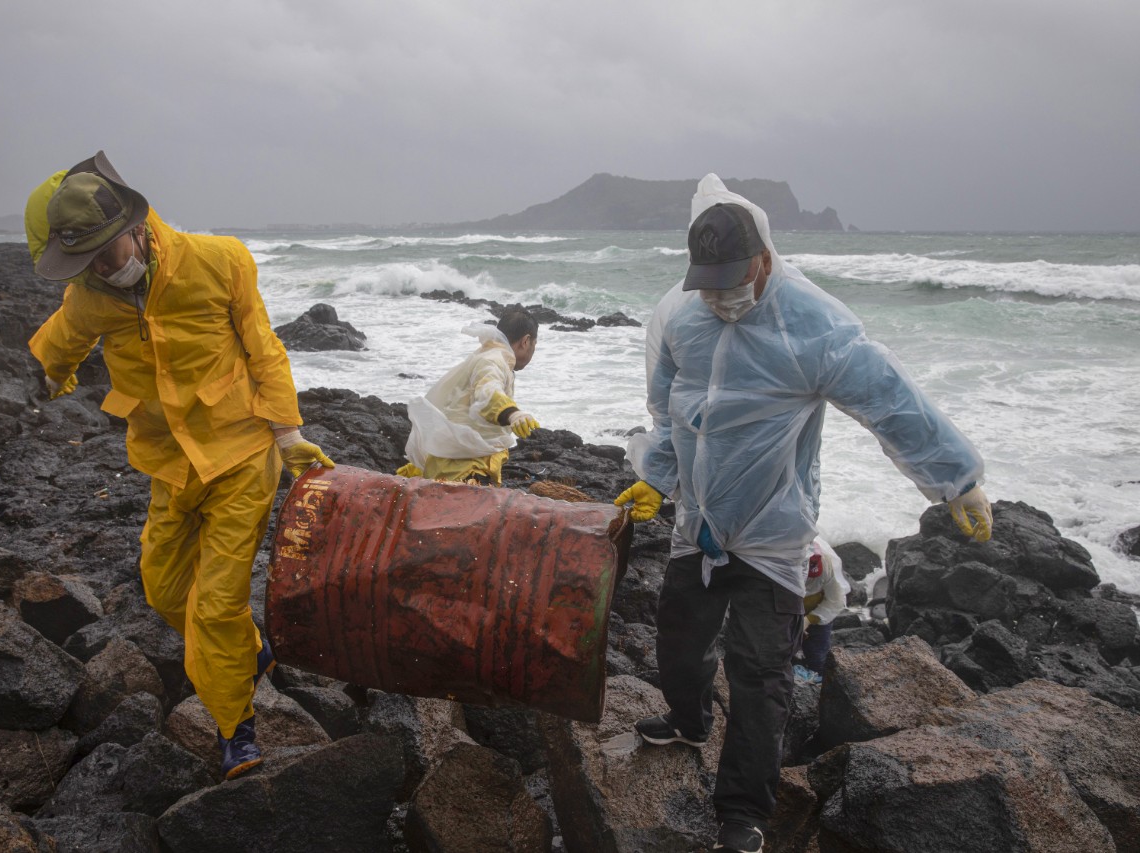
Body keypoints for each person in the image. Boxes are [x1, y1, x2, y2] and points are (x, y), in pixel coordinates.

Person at [614, 174, 992, 852]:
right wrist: (657, 478)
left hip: (772, 530)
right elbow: (667, 410)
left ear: (763, 257)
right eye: (709, 281)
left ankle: (742, 814)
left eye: (732, 278)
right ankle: (688, 715)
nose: (721, 294)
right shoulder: (684, 316)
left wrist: (956, 478)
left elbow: (891, 398)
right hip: (698, 520)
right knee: (677, 633)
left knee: (761, 674)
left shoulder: (813, 325)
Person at [25, 152, 333, 780]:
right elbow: (61, 344)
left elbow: (264, 348)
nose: (96, 273)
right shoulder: (88, 297)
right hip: (168, 464)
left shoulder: (221, 261)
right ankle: (252, 655)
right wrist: (51, 379)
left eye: (102, 257)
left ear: (133, 231)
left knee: (217, 603)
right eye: (81, 264)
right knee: (164, 591)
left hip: (242, 456)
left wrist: (288, 433)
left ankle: (236, 732)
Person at [397, 308, 539, 485]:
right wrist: (512, 414)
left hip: (450, 459)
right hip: (464, 471)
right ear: (526, 341)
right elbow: (487, 392)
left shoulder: (485, 355)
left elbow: (455, 410)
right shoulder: (493, 360)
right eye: (535, 345)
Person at [794, 537, 849, 684]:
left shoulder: (829, 564)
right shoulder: (785, 560)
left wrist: (809, 620)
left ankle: (817, 683)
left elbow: (835, 600)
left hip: (817, 612)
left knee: (818, 657)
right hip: (787, 611)